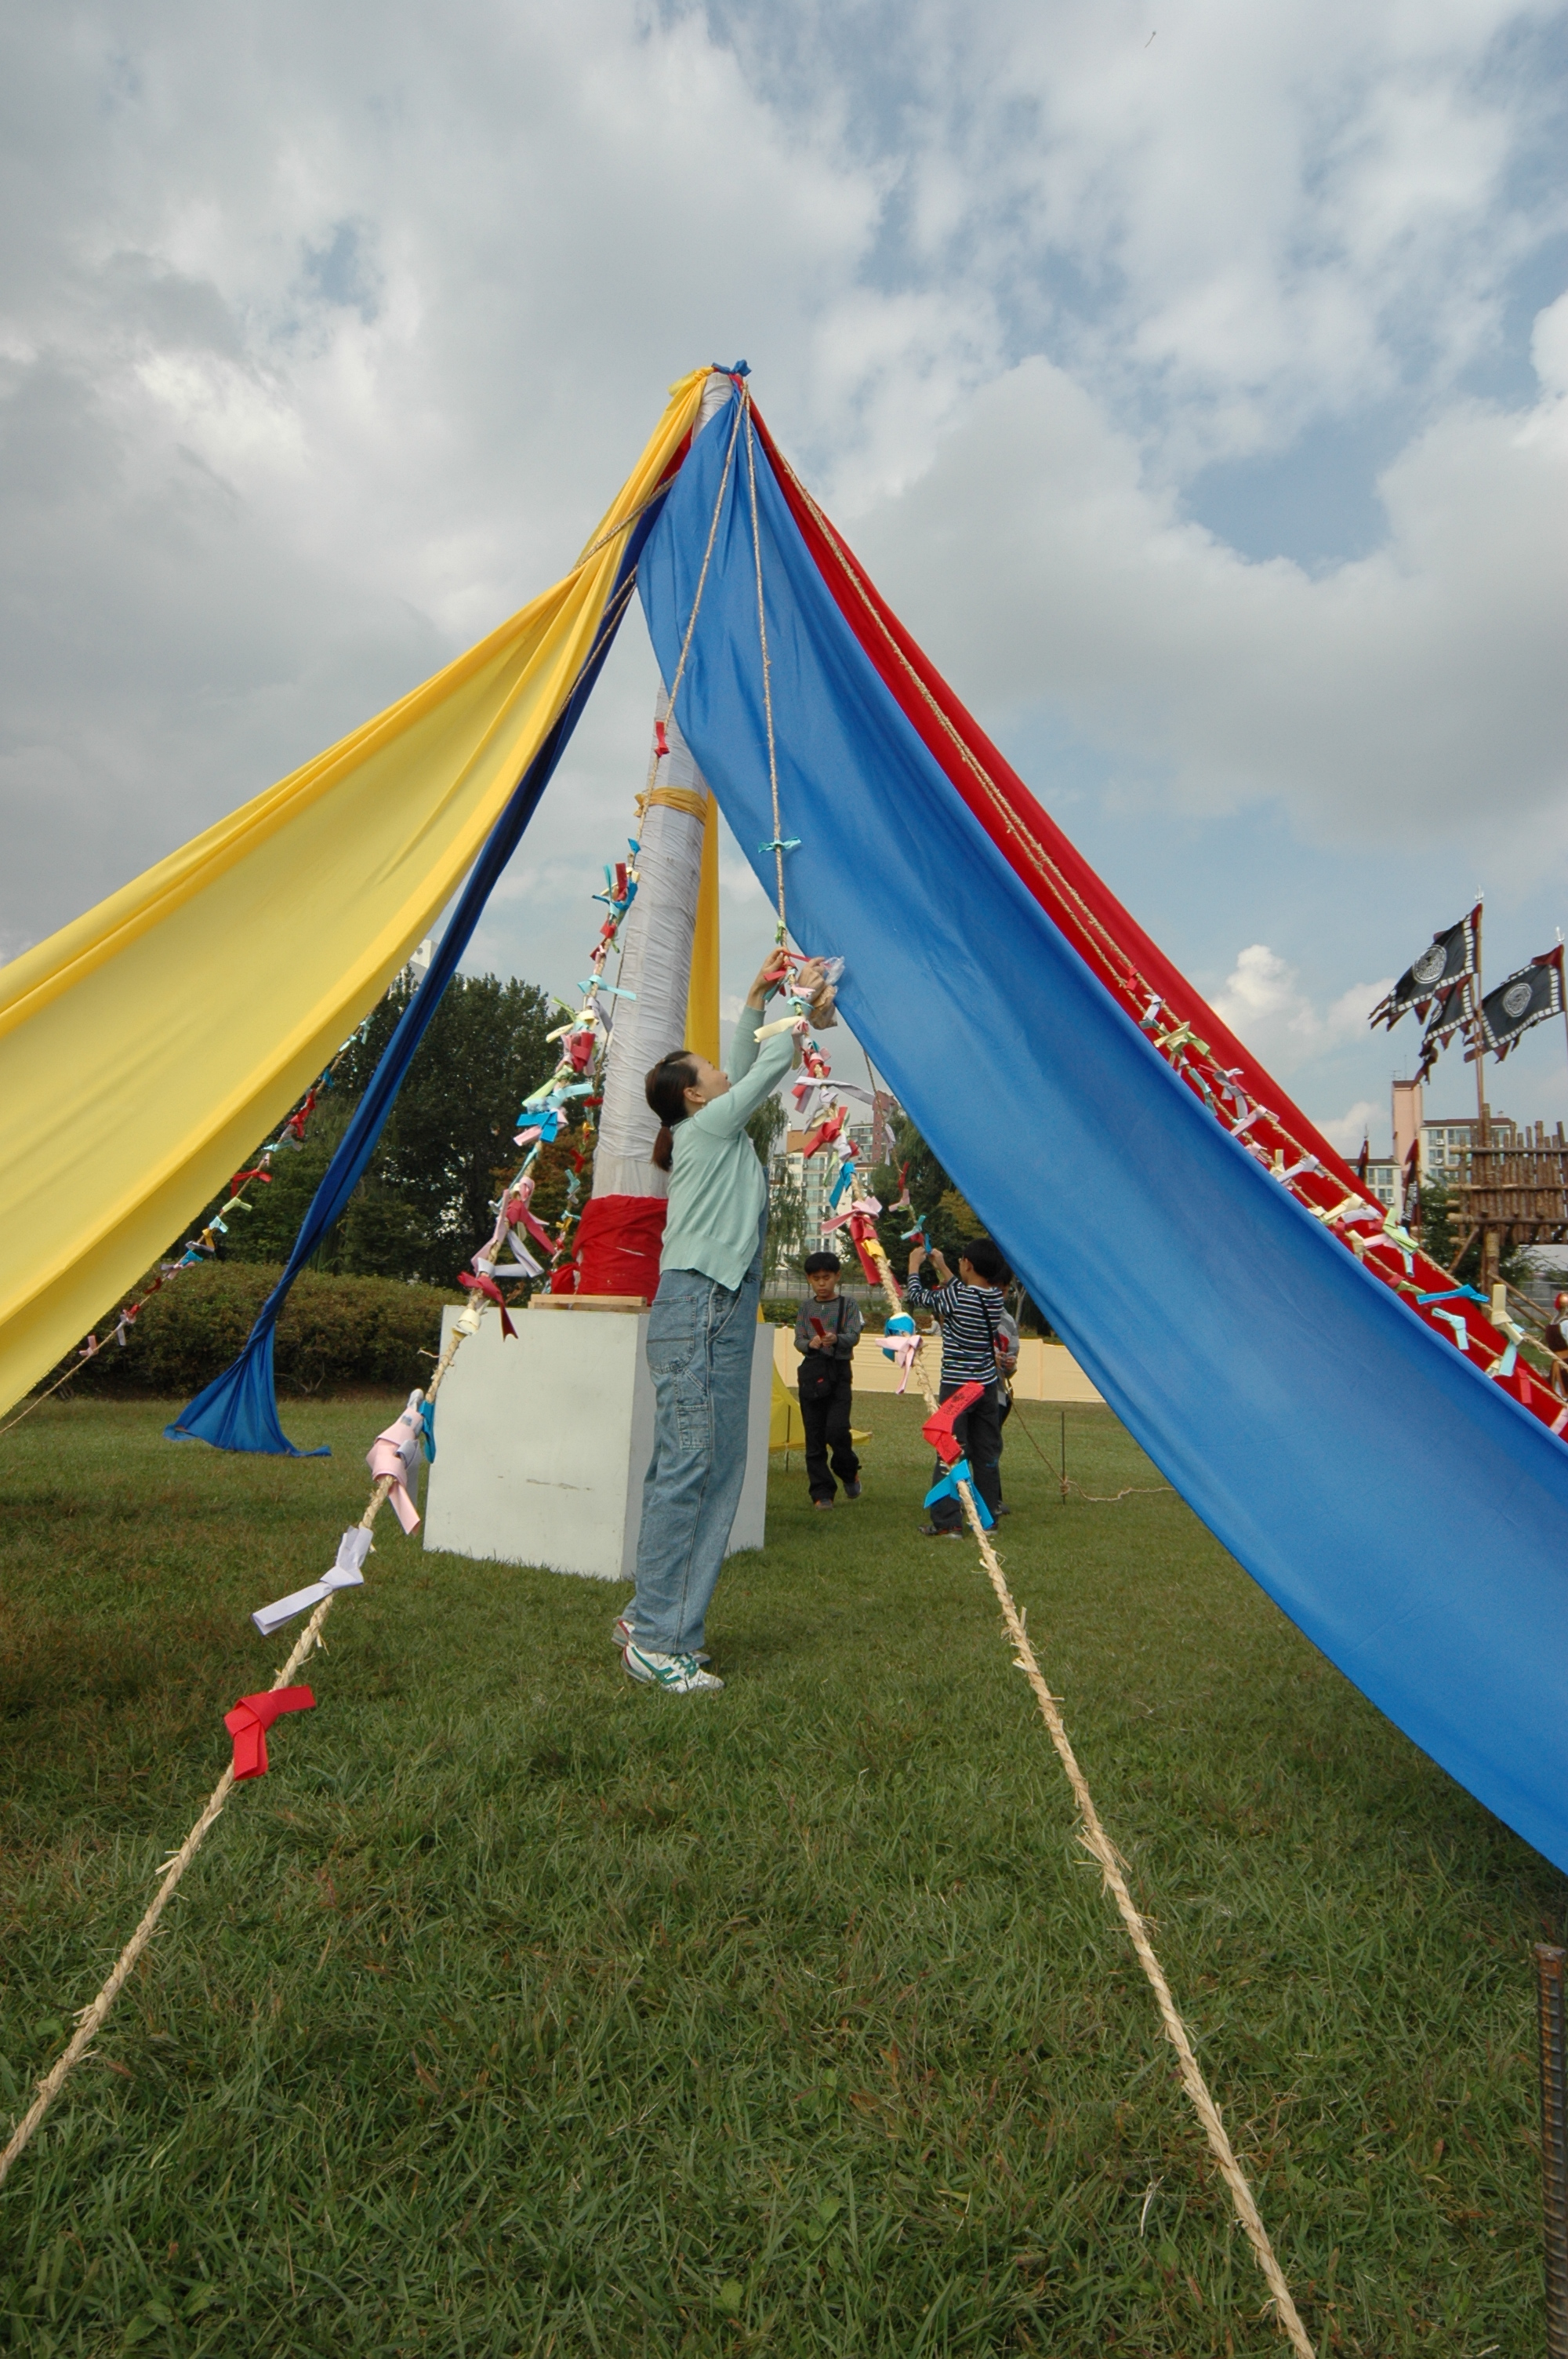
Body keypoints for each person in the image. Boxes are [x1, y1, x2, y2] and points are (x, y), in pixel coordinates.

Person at [618, 950, 831, 1694]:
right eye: (707, 1069)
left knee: (687, 1466)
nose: (720, 1072)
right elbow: (765, 1075)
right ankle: (659, 1640)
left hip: (704, 1307)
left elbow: (744, 1073)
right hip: (704, 1307)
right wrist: (800, 1006)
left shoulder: (710, 1129)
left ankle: (653, 1616)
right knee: (699, 1469)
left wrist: (755, 1001)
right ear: (693, 1098)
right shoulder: (710, 1132)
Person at [905, 1234, 1011, 1536]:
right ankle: (988, 1519)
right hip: (986, 1386)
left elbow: (918, 1296)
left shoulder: (957, 1298)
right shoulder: (994, 1299)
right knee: (985, 1452)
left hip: (957, 1388)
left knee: (949, 1451)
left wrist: (914, 1266)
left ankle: (948, 1522)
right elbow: (965, 1292)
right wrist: (944, 1267)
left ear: (969, 1264)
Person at [793, 1252, 864, 1508]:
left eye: (827, 1278)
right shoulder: (805, 1308)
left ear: (837, 1277)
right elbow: (798, 1339)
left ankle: (847, 1470)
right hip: (812, 1372)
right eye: (816, 1279)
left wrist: (837, 1339)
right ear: (809, 1280)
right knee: (814, 1436)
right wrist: (809, 1343)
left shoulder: (849, 1305)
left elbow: (854, 1334)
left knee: (836, 1430)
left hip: (839, 1372)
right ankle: (822, 1493)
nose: (822, 1284)